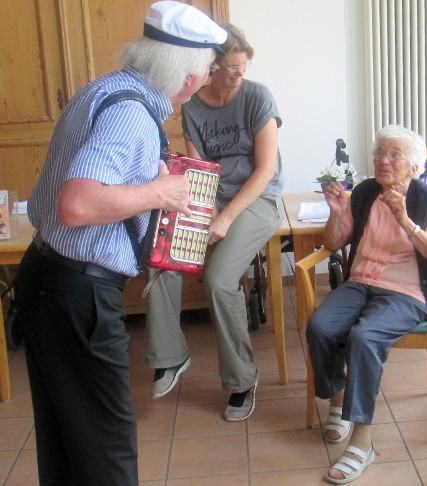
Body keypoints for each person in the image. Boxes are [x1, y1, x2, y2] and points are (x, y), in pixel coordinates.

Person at [14, 2, 226, 484]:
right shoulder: (131, 114)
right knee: (107, 444)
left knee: (68, 438)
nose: (206, 79)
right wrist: (160, 193)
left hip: (48, 278)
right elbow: (78, 204)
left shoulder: (105, 89)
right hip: (78, 292)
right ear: (188, 75)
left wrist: (148, 188)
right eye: (209, 69)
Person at [145, 23, 284, 422]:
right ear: (212, 66)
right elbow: (199, 170)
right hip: (211, 196)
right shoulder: (192, 107)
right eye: (231, 67)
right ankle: (170, 357)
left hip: (257, 199)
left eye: (244, 65)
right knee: (163, 255)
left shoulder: (258, 97)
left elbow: (265, 171)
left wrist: (224, 219)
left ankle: (242, 380)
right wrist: (191, 212)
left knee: (219, 279)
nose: (240, 73)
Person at [306, 125, 427, 484]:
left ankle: (362, 440)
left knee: (365, 337)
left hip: (407, 291)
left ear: (414, 167)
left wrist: (406, 221)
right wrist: (335, 212)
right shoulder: (365, 193)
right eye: (379, 153)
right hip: (361, 283)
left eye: (394, 155)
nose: (383, 160)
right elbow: (334, 242)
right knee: (320, 327)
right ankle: (338, 398)